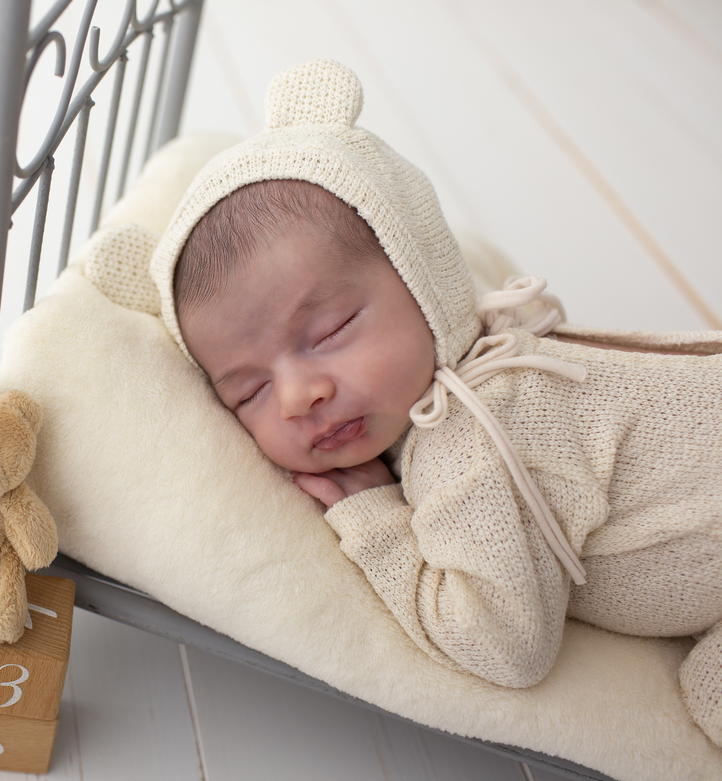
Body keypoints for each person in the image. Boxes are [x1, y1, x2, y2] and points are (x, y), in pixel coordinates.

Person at [148, 59, 722, 746]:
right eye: (251, 389)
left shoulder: (468, 435)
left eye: (328, 331)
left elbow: (507, 649)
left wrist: (377, 523)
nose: (301, 395)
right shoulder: (500, 355)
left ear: (421, 272)